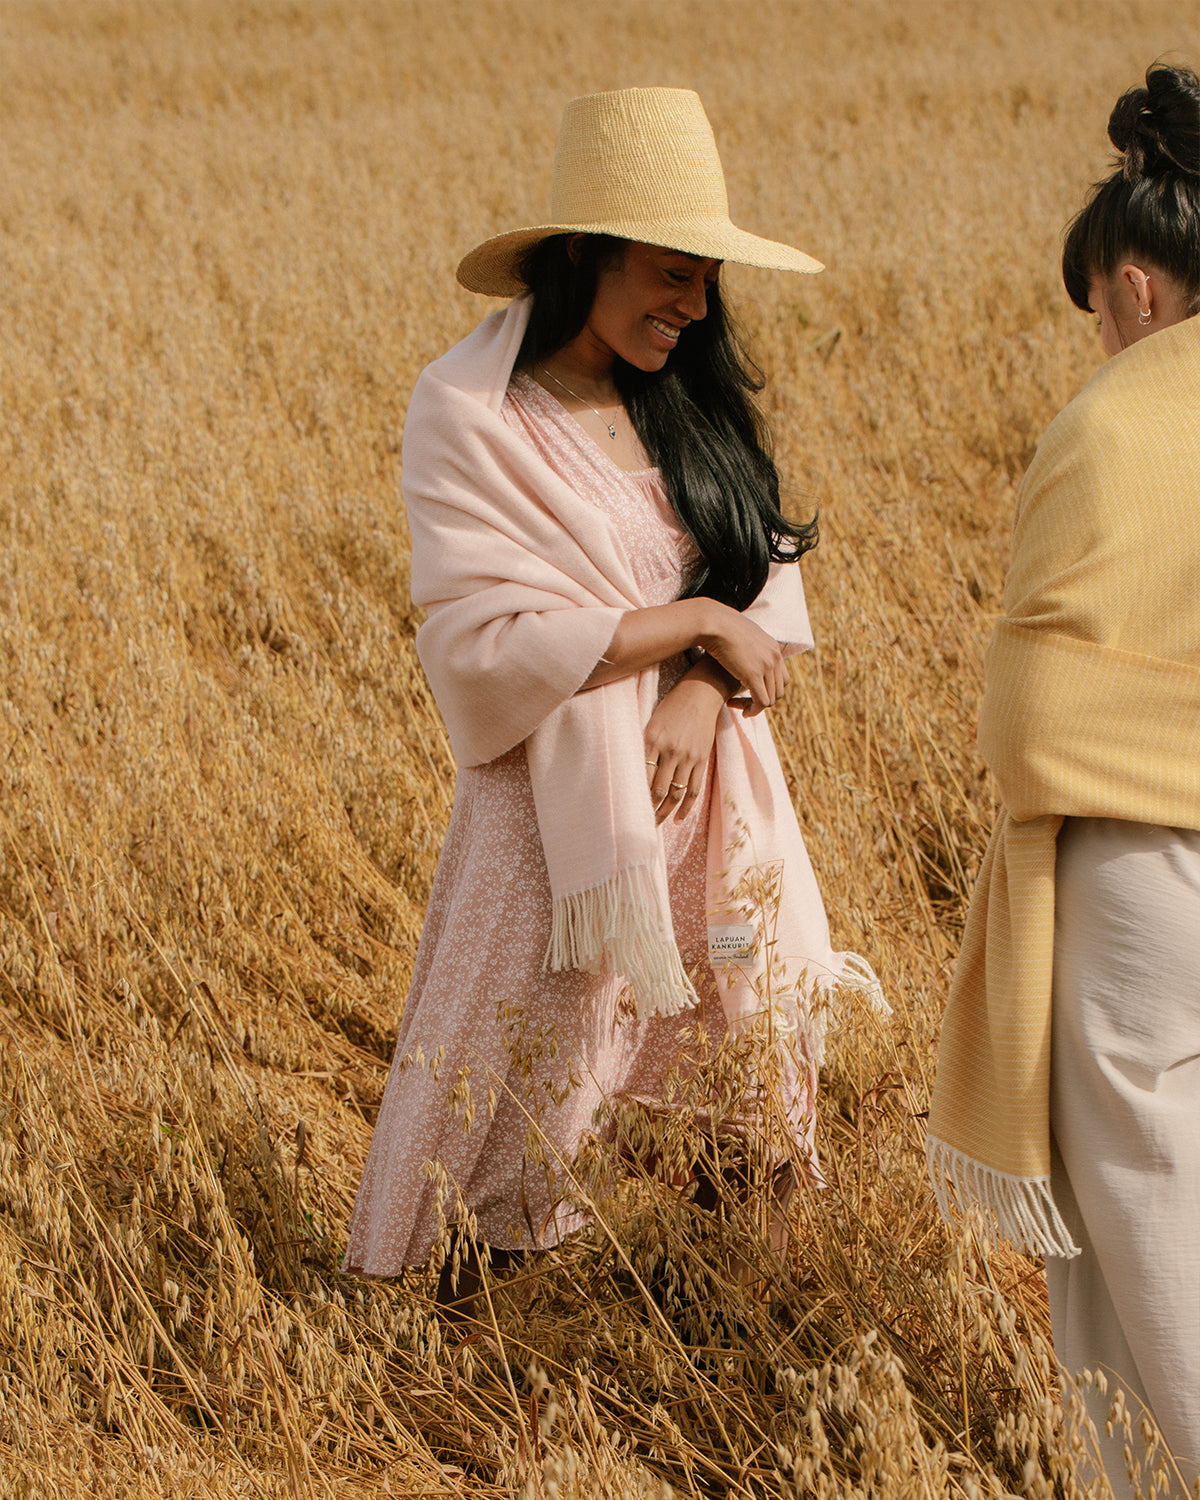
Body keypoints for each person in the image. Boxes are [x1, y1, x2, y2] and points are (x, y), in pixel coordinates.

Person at [343, 87, 880, 1310]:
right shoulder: (471, 415)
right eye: (672, 273)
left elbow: (767, 592)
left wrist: (698, 684)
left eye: (707, 282)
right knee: (525, 1097)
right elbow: (479, 643)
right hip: (552, 829)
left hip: (714, 808)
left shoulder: (687, 398)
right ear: (587, 255)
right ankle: (472, 1384)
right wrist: (690, 624)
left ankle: (733, 1344)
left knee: (745, 1071)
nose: (693, 307)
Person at [927, 63, 1200, 1490]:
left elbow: (1034, 714)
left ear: (1141, 289)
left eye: (1098, 303)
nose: (1099, 332)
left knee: (1142, 1224)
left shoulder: (1113, 422)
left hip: (1146, 870)